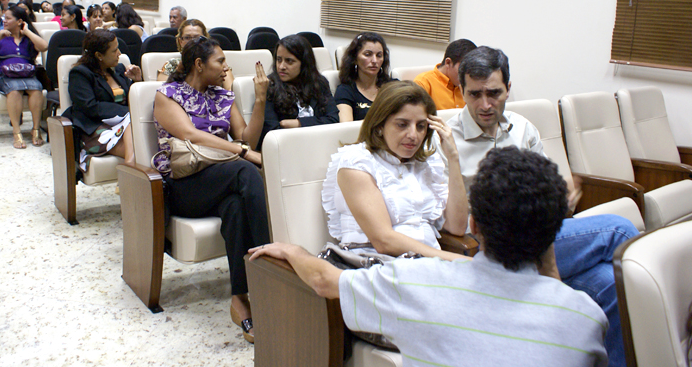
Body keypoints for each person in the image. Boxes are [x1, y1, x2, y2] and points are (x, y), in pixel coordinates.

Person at [250, 147, 608, 367]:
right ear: (553, 233)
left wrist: (294, 250)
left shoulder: (413, 282)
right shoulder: (586, 317)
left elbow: (323, 280)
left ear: (474, 225)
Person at [442, 45, 638, 367]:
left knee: (609, 281)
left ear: (508, 88)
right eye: (475, 94)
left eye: (494, 93)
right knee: (620, 230)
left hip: (538, 239)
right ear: (461, 90)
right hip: (490, 246)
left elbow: (546, 190)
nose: (485, 104)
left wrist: (560, 201)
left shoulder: (523, 129)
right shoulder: (447, 140)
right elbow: (450, 221)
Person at [153, 36, 270, 343]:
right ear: (199, 64)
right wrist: (243, 153)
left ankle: (240, 298)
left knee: (235, 207)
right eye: (220, 61)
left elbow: (247, 138)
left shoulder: (222, 96)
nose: (226, 67)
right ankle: (272, 276)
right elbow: (190, 134)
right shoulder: (168, 95)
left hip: (220, 179)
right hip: (184, 186)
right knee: (245, 170)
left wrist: (260, 101)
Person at [323, 80, 468, 260]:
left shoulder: (425, 164)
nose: (413, 135)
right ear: (380, 125)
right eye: (402, 124)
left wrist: (453, 159)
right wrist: (456, 261)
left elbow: (456, 227)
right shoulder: (357, 162)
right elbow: (384, 241)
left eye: (421, 126)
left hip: (427, 262)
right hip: (376, 262)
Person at [61, 29, 142, 170]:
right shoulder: (80, 73)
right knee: (141, 144)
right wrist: (127, 112)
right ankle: (130, 166)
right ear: (99, 55)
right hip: (95, 128)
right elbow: (90, 107)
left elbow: (133, 101)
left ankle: (129, 170)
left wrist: (136, 81)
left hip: (124, 126)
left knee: (144, 142)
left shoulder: (119, 69)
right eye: (114, 50)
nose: (120, 53)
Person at [0, 6, 48, 148]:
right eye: (4, 18)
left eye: (8, 18)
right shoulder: (0, 37)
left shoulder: (29, 38)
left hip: (27, 74)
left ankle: (35, 129)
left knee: (36, 89)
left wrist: (27, 32)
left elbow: (44, 47)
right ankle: (17, 132)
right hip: (5, 75)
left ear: (19, 21)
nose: (4, 21)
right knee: (14, 90)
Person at [257, 34, 339, 150]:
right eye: (279, 60)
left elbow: (333, 120)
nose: (281, 66)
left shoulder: (319, 83)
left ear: (304, 63)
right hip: (286, 149)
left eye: (289, 61)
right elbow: (272, 131)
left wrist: (297, 123)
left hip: (320, 145)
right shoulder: (269, 86)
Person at [156, 19, 236, 88]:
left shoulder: (217, 64)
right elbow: (164, 91)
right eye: (187, 37)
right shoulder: (172, 65)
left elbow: (231, 90)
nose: (192, 41)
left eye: (197, 37)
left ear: (206, 40)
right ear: (180, 41)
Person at [335, 32, 395, 122]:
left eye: (379, 55)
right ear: (355, 58)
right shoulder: (345, 91)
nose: (374, 60)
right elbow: (346, 127)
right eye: (367, 54)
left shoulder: (392, 87)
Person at [414, 38, 476, 110]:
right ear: (448, 62)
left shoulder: (469, 85)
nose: (467, 75)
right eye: (463, 69)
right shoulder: (423, 83)